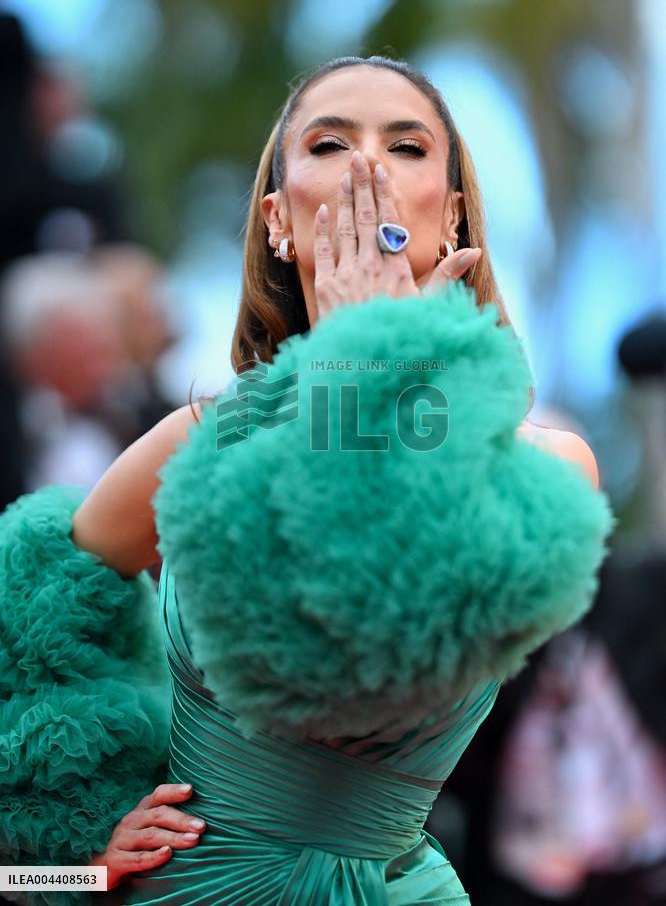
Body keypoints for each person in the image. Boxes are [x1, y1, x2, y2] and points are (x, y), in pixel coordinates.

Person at [0, 55, 615, 906]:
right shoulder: (203, 440)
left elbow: (358, 648)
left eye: (406, 147)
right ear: (278, 217)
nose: (366, 168)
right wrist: (64, 862)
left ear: (457, 210)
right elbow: (28, 623)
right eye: (329, 144)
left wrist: (364, 363)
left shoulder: (548, 468)